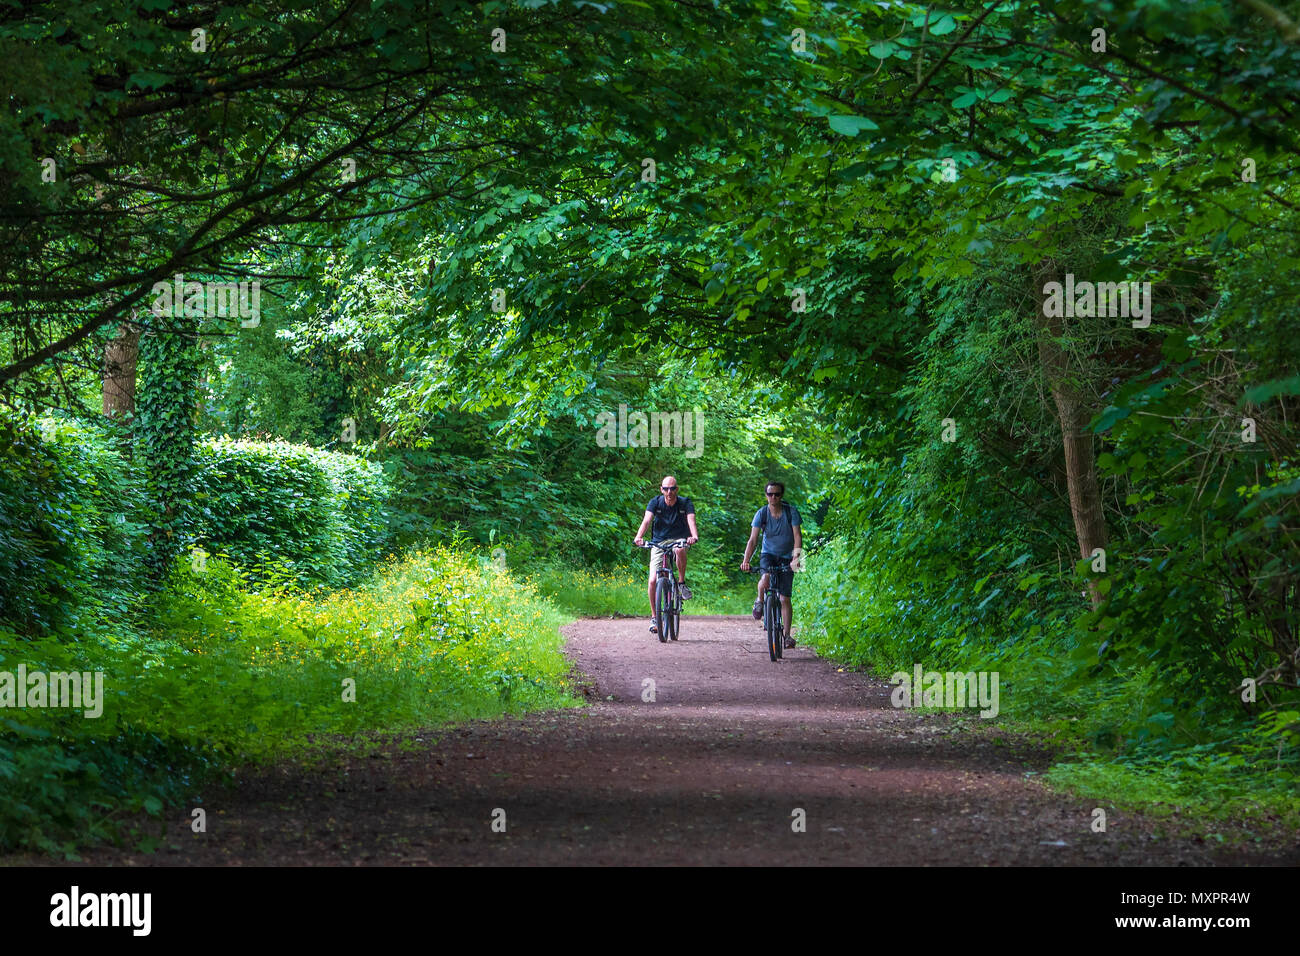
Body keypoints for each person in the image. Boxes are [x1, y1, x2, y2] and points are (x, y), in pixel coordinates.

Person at [740, 480, 802, 649]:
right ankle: (760, 600)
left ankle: (787, 636)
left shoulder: (791, 512)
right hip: (768, 554)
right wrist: (746, 561)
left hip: (786, 556)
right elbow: (753, 540)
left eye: (777, 494)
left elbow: (797, 536)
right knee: (765, 577)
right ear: (766, 495)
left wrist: (796, 558)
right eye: (770, 494)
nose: (773, 497)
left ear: (782, 495)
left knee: (784, 598)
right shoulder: (762, 514)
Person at [633, 476, 699, 633]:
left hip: (679, 539)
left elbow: (691, 521)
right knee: (653, 580)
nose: (669, 492)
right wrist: (639, 537)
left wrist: (693, 536)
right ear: (661, 489)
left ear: (677, 489)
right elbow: (647, 521)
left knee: (680, 550)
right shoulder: (655, 502)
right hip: (658, 541)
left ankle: (681, 583)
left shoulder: (685, 503)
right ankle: (655, 617)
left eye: (672, 488)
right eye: (666, 489)